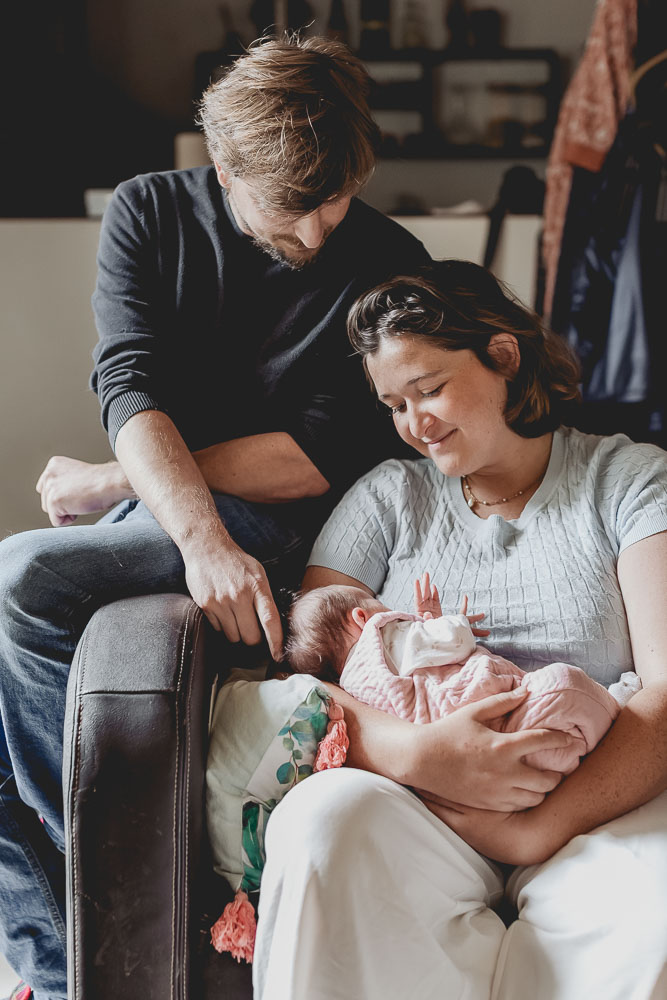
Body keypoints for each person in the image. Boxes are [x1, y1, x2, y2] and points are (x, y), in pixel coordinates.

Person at [0, 35, 429, 1000]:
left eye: (335, 200)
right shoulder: (149, 209)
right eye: (292, 207)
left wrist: (119, 483)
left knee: (21, 575)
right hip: (191, 511)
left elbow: (317, 452)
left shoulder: (390, 258)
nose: (318, 234)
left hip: (288, 518)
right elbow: (130, 382)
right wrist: (197, 538)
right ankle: (74, 960)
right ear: (222, 167)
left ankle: (89, 898)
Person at [253, 259, 667, 1000]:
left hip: (598, 800)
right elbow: (306, 679)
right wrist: (418, 753)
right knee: (320, 820)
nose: (416, 423)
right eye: (393, 404)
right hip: (420, 804)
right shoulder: (386, 498)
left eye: (430, 388)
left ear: (502, 357)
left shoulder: (629, 482)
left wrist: (533, 830)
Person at [284, 574, 640, 779]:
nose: (387, 608)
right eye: (376, 600)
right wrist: (446, 623)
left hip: (456, 759)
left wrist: (425, 623)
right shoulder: (383, 635)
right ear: (361, 617)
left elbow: (418, 676)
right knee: (564, 684)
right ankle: (614, 704)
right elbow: (452, 642)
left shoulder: (353, 684)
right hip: (488, 711)